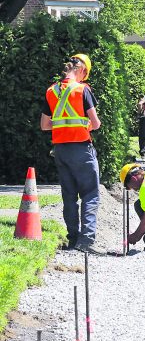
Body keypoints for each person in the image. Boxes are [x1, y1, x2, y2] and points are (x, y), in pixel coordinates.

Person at [40, 54, 104, 254]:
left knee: (69, 197)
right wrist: (82, 124)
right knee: (90, 194)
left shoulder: (51, 91)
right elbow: (96, 123)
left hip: (61, 150)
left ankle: (72, 238)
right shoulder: (82, 89)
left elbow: (44, 125)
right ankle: (86, 241)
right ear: (82, 70)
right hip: (81, 150)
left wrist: (64, 125)